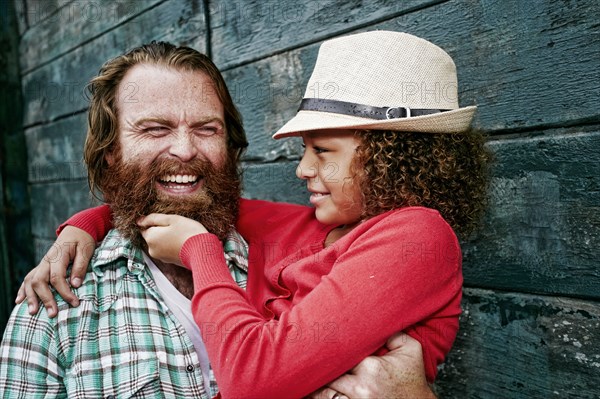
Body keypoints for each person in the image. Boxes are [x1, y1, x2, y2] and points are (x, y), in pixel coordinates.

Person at [0, 38, 439, 399]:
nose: (186, 150)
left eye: (207, 129)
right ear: (111, 153)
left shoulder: (282, 250)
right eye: (155, 129)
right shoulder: (54, 306)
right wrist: (88, 223)